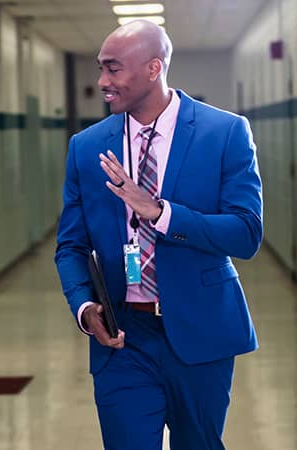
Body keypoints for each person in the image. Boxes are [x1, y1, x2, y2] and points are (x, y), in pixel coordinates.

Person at [54, 20, 262, 450]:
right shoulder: (87, 146)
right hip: (122, 338)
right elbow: (71, 245)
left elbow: (246, 233)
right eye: (100, 68)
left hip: (201, 331)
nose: (102, 82)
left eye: (113, 69)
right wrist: (84, 305)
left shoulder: (224, 133)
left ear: (153, 69)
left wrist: (162, 214)